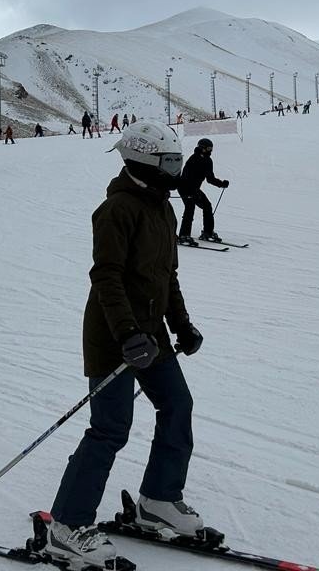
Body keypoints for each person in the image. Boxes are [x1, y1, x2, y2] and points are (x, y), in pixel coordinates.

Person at [44, 121, 204, 569]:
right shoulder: (116, 209)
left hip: (151, 334)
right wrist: (128, 334)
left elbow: (167, 276)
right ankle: (67, 526)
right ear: (143, 161)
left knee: (178, 405)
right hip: (114, 336)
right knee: (111, 428)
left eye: (177, 161)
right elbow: (106, 277)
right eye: (169, 162)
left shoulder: (162, 208)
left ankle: (158, 500)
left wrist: (182, 325)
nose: (176, 170)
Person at [177, 138, 229, 245]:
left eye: (211, 148)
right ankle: (184, 235)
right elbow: (186, 176)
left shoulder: (208, 161)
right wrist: (190, 192)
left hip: (194, 189)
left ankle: (207, 232)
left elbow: (210, 178)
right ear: (202, 148)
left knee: (207, 206)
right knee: (190, 208)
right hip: (185, 188)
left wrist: (221, 184)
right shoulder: (193, 159)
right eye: (208, 148)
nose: (210, 151)